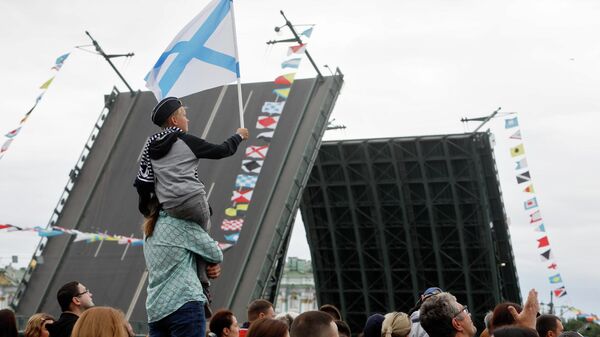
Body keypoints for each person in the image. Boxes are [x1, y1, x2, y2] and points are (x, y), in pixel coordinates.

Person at [134, 96, 249, 316]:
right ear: (175, 120)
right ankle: (204, 284)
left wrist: (147, 209)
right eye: (184, 115)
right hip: (194, 202)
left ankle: (203, 279)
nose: (188, 119)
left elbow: (144, 182)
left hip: (170, 206)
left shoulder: (152, 146)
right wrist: (239, 136)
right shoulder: (184, 140)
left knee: (191, 242)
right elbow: (221, 150)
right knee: (204, 243)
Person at [144, 213, 223, 337]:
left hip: (156, 310)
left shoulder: (149, 228)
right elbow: (216, 253)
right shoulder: (181, 224)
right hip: (184, 303)